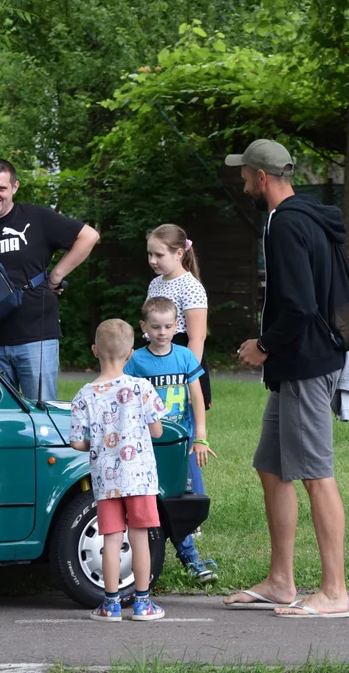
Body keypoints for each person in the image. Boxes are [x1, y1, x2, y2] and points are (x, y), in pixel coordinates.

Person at [223, 138, 349, 619]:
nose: (242, 183)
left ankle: (335, 592)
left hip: (304, 364)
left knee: (317, 475)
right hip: (298, 364)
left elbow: (299, 306)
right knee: (271, 467)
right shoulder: (307, 216)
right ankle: (281, 581)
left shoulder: (286, 224)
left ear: (261, 177)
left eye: (244, 176)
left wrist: (264, 346)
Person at [0, 158, 100, 400]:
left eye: (1, 188)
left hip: (37, 338)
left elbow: (89, 236)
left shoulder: (37, 217)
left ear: (14, 187)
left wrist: (56, 275)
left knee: (43, 417)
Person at [68, 318, 167, 622]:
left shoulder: (84, 395)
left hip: (105, 480)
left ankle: (110, 604)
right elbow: (158, 430)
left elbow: (77, 443)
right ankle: (142, 603)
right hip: (139, 478)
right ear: (131, 354)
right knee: (139, 537)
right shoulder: (141, 388)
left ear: (95, 350)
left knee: (110, 538)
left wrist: (97, 445)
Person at [124, 296, 218, 582]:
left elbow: (197, 397)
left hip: (181, 444)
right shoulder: (137, 360)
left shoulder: (185, 356)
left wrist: (200, 436)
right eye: (155, 327)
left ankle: (190, 557)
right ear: (144, 327)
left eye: (167, 326)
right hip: (149, 445)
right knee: (151, 500)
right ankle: (153, 556)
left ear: (177, 325)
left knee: (182, 500)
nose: (162, 332)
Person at [144, 224, 212, 411]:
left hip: (182, 359)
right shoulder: (155, 284)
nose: (152, 260)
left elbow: (197, 337)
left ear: (179, 253)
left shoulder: (191, 287)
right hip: (156, 356)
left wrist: (189, 379)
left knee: (183, 421)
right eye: (150, 254)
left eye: (159, 255)